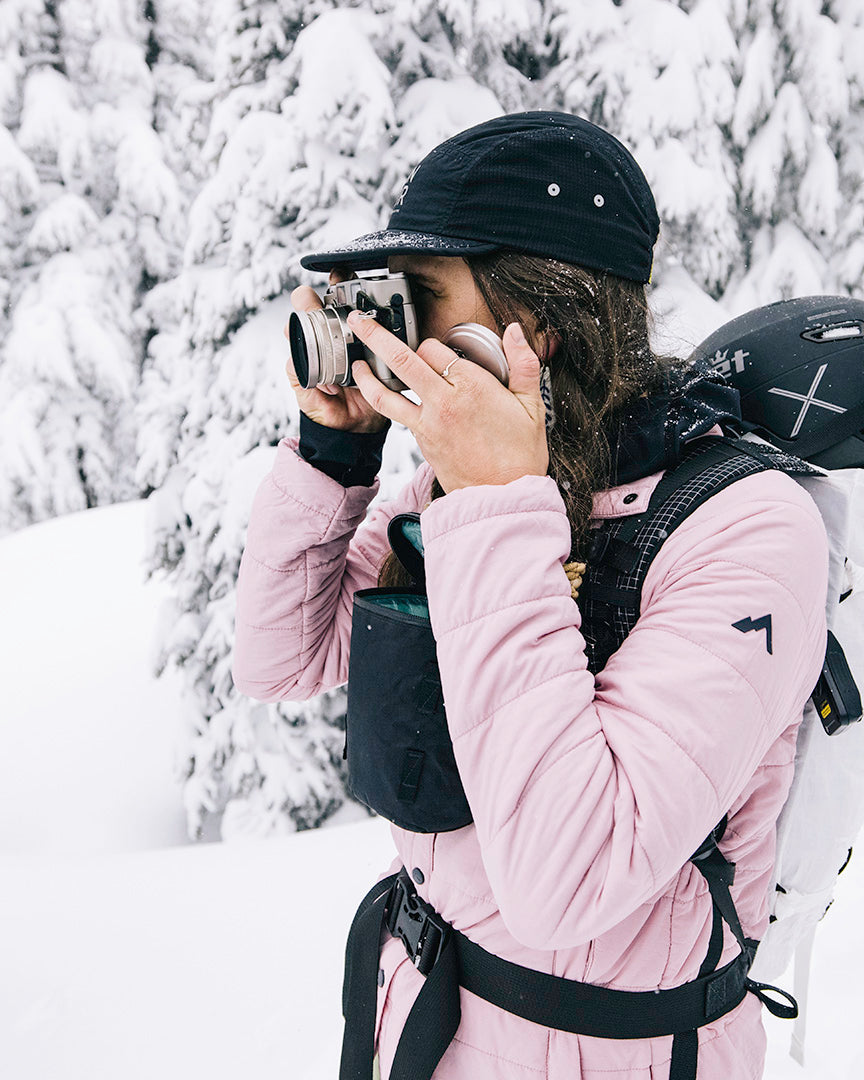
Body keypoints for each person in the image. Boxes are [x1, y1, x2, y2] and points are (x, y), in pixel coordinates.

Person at [233, 112, 828, 1080]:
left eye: (420, 304)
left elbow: (570, 875)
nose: (394, 341)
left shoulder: (745, 530)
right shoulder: (451, 494)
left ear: (535, 327)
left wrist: (499, 506)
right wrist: (333, 453)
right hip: (424, 1018)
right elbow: (279, 661)